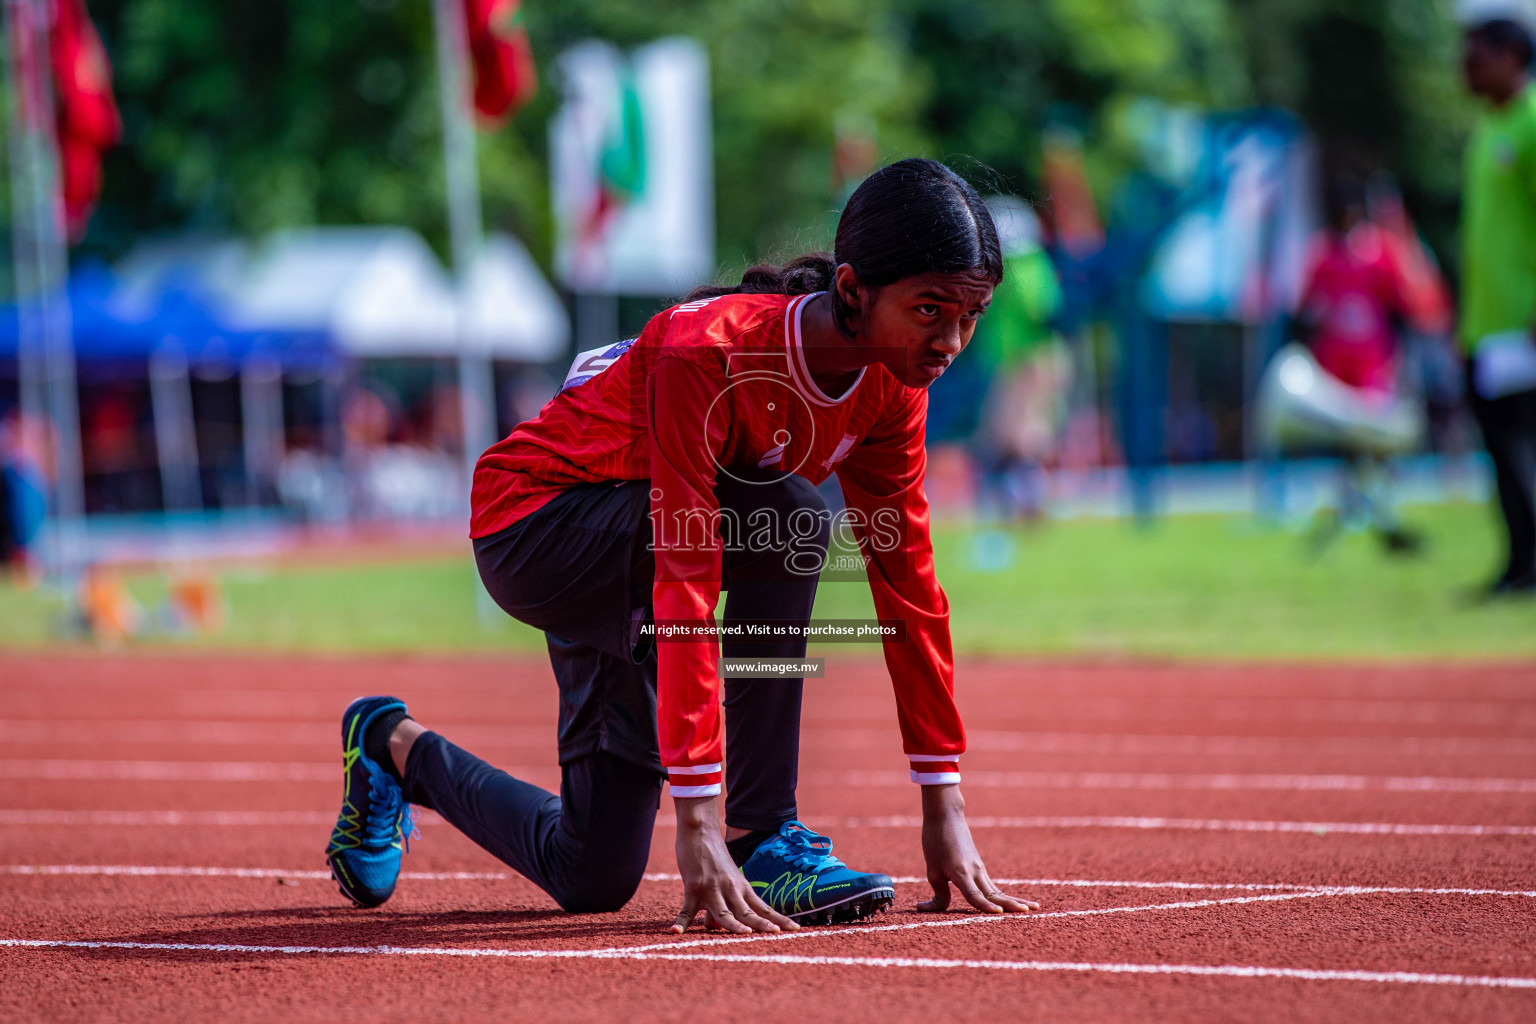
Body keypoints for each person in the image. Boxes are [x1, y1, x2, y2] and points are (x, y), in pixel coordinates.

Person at [324, 159, 1041, 933]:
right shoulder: (706, 352)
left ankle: (389, 746)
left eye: (972, 314)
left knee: (592, 871)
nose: (952, 340)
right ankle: (765, 834)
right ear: (851, 291)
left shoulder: (892, 388)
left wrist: (945, 804)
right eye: (930, 309)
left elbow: (909, 585)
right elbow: (688, 572)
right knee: (794, 519)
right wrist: (701, 825)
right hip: (533, 529)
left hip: (627, 554)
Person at [1459, 10, 1536, 596]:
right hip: (1486, 323)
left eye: (1477, 53)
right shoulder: (1488, 128)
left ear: (1513, 56)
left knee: (1524, 445)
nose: (1466, 66)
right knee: (1502, 453)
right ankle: (1519, 563)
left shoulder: (1532, 122)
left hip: (1525, 323)